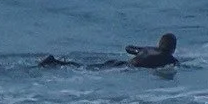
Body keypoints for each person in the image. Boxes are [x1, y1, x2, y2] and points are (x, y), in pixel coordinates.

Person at [39, 32, 180, 70]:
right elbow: (177, 66)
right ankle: (55, 63)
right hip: (128, 69)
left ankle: (56, 62)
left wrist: (141, 48)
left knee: (89, 67)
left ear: (159, 43)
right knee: (89, 69)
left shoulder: (149, 49)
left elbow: (128, 48)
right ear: (173, 48)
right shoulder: (171, 59)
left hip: (122, 63)